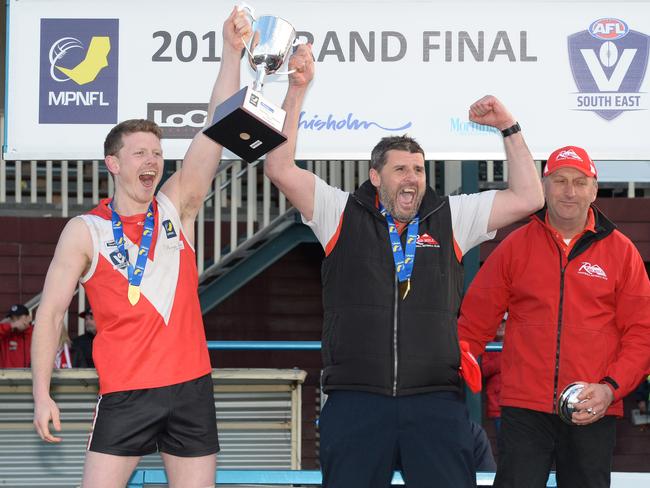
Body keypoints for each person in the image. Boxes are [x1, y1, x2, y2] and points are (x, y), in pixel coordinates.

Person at [263, 45, 544, 487]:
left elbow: (530, 198)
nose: (412, 177)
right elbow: (279, 166)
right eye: (400, 170)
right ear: (376, 177)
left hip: (434, 400)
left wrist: (508, 126)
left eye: (418, 168)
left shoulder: (452, 216)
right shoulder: (339, 212)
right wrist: (298, 90)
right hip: (356, 399)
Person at [31, 8, 251, 488]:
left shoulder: (177, 207)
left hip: (190, 386)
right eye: (140, 153)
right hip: (125, 393)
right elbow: (48, 315)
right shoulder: (85, 230)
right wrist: (41, 393)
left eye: (157, 152)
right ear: (114, 162)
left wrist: (231, 54)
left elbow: (217, 126)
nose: (152, 160)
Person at [458, 145, 650, 488]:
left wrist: (611, 389)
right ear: (544, 185)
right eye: (559, 180)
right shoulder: (515, 247)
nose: (569, 190)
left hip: (593, 406)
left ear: (594, 189)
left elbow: (642, 334)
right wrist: (450, 374)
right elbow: (473, 323)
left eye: (579, 181)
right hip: (524, 409)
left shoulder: (623, 253)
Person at [482, 316, 505, 433]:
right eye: (498, 323)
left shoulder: (517, 343)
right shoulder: (488, 345)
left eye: (504, 322)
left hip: (516, 403)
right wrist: (504, 357)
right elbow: (484, 369)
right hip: (497, 405)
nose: (500, 326)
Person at [0, 304, 33, 368]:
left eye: (18, 318)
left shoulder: (35, 334)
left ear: (28, 318)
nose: (15, 322)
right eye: (12, 318)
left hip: (31, 377)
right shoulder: (5, 335)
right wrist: (10, 326)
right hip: (7, 377)